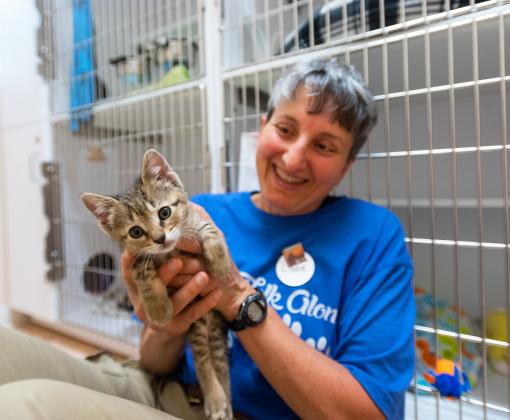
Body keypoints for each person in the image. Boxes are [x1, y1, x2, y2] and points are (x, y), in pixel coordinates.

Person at [0, 57, 415, 420]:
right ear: (262, 127)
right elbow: (154, 360)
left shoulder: (373, 235)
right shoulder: (200, 212)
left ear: (345, 166)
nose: (293, 158)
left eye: (324, 145)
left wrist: (235, 295)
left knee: (22, 408)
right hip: (154, 386)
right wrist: (162, 322)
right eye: (286, 129)